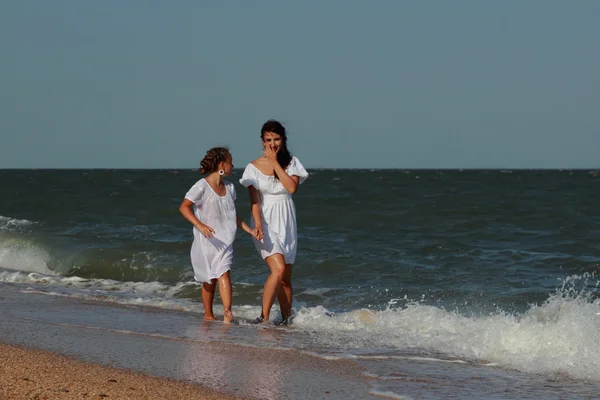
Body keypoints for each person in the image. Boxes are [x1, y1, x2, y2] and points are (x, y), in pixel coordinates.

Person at [239, 120, 309, 324]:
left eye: (276, 139)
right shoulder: (252, 168)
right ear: (262, 141)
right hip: (265, 220)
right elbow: (254, 200)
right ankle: (264, 318)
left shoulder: (292, 163)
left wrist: (275, 162)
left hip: (286, 220)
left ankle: (286, 321)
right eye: (268, 140)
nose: (273, 144)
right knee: (277, 270)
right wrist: (257, 225)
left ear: (283, 139)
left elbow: (291, 188)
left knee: (285, 278)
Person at [179, 147, 259, 323]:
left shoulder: (230, 188)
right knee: (209, 279)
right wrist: (200, 225)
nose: (233, 165)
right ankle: (208, 314)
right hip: (207, 241)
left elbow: (233, 216)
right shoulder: (201, 186)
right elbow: (184, 207)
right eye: (231, 162)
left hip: (225, 241)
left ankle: (227, 312)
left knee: (224, 273)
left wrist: (250, 230)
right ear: (222, 165)